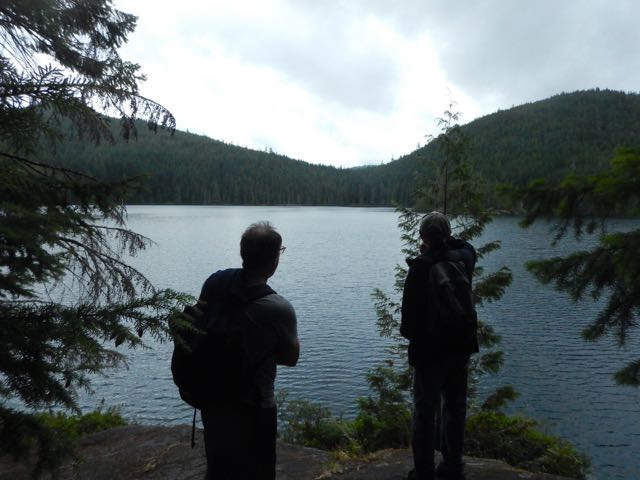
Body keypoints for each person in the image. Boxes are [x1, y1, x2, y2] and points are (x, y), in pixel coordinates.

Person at [198, 221, 300, 480]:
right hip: (255, 405)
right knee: (259, 471)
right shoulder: (278, 307)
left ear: (243, 252)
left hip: (212, 395)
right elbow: (291, 358)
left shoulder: (215, 281)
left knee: (218, 468)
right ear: (274, 259)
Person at [400, 212, 478, 480]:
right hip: (461, 347)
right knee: (456, 407)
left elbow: (408, 325)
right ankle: (453, 465)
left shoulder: (420, 267)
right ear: (448, 234)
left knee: (425, 411)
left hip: (430, 352)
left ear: (422, 236)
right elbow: (467, 246)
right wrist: (445, 242)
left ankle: (424, 472)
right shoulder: (464, 259)